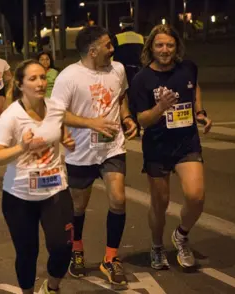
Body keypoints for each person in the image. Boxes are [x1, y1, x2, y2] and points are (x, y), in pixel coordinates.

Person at [51, 26, 137, 286]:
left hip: (112, 148)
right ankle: (76, 249)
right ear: (92, 50)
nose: (113, 49)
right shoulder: (69, 77)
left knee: (118, 199)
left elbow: (121, 96)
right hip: (81, 153)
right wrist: (91, 123)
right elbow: (57, 113)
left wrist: (126, 117)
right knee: (78, 207)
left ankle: (110, 258)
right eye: (108, 45)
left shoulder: (118, 70)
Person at [0, 59, 75, 294]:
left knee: (63, 247)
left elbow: (60, 126)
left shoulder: (55, 107)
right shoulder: (11, 116)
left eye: (42, 77)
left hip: (55, 189)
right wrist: (21, 148)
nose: (40, 83)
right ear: (20, 84)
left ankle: (52, 287)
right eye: (33, 79)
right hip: (19, 196)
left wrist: (67, 139)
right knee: (27, 252)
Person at [130, 24, 212, 271]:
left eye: (170, 45)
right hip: (157, 146)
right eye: (159, 45)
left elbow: (194, 86)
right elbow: (142, 119)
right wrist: (160, 108)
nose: (165, 50)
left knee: (196, 196)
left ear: (177, 47)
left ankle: (182, 235)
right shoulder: (141, 79)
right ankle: (156, 246)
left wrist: (199, 111)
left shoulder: (188, 68)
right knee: (160, 203)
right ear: (151, 48)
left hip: (186, 142)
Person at [112, 16, 145, 136]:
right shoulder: (140, 37)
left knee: (123, 97)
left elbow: (112, 55)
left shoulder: (117, 38)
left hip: (123, 70)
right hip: (138, 70)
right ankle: (137, 124)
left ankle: (126, 125)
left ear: (122, 25)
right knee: (136, 97)